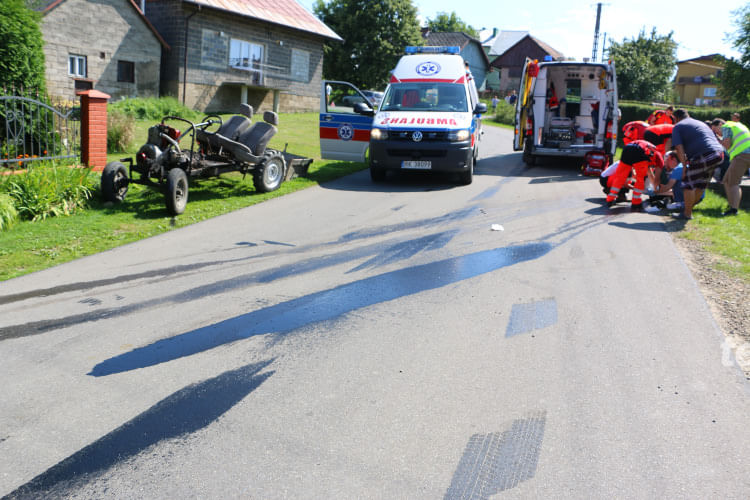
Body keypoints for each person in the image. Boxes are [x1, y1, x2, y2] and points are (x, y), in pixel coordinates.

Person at [670, 108, 725, 220]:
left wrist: (684, 166)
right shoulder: (699, 123)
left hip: (704, 154)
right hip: (719, 154)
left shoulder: (678, 126)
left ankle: (687, 214)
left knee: (688, 184)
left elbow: (678, 147)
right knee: (700, 184)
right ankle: (688, 210)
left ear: (676, 118)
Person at [606, 139, 664, 211]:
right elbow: (656, 178)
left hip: (627, 148)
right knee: (640, 179)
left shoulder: (651, 151)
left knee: (620, 176)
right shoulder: (659, 159)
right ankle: (636, 203)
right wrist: (657, 190)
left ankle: (610, 199)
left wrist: (655, 188)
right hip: (640, 151)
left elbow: (650, 174)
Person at [718, 117, 750, 216]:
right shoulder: (738, 125)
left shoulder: (726, 126)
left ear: (719, 124)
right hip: (745, 154)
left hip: (742, 155)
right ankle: (731, 205)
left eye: (715, 130)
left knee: (733, 183)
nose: (719, 134)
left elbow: (727, 145)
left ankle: (734, 210)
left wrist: (717, 140)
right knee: (727, 180)